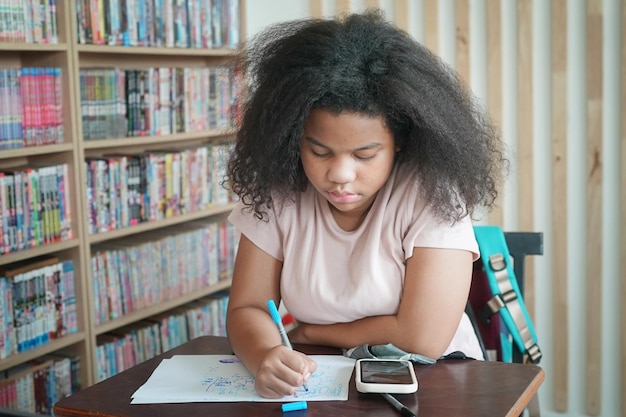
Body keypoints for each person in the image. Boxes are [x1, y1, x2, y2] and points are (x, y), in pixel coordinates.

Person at [225, 10, 507, 399]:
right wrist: (266, 354)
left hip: (435, 381)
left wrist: (310, 332)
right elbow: (248, 308)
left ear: (400, 143)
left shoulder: (434, 195)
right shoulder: (281, 193)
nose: (340, 174)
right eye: (319, 151)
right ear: (293, 138)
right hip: (318, 378)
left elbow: (421, 338)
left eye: (364, 155)